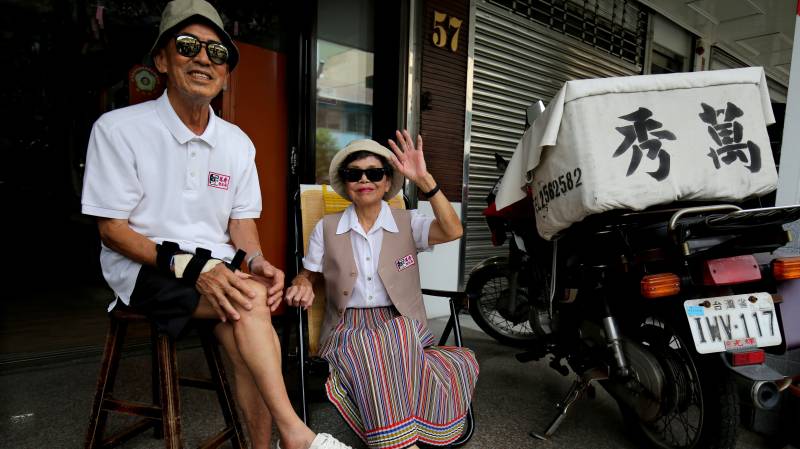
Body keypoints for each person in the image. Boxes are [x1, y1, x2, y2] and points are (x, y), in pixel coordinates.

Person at [81, 1, 350, 448]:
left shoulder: (236, 142)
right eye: (187, 47)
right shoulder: (119, 128)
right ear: (162, 60)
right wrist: (194, 269)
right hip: (144, 265)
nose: (203, 58)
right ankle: (296, 435)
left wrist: (257, 261)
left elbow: (241, 226)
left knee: (249, 317)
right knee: (250, 305)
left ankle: (277, 442)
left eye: (217, 52)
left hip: (216, 268)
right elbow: (112, 231)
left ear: (226, 70)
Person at [286, 132, 480, 449]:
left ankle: (395, 443)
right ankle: (404, 444)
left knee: (397, 333)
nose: (365, 179)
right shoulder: (327, 227)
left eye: (375, 173)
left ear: (387, 181)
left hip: (402, 323)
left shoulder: (408, 222)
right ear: (345, 183)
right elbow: (306, 275)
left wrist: (425, 180)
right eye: (354, 173)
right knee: (384, 341)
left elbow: (452, 230)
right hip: (347, 327)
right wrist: (302, 285)